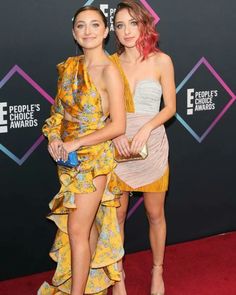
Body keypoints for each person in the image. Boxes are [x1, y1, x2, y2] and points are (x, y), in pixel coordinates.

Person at [38, 5, 126, 295]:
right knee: (84, 230)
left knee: (77, 230)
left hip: (95, 161)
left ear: (105, 31)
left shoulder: (110, 71)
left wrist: (76, 142)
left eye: (94, 25)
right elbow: (58, 113)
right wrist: (53, 138)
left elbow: (118, 126)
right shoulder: (68, 67)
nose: (87, 31)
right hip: (68, 160)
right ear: (73, 32)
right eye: (80, 26)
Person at [111, 1, 176, 295]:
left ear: (143, 24)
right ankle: (118, 276)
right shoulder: (109, 64)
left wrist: (148, 127)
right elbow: (102, 111)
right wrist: (114, 136)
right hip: (118, 149)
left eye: (132, 23)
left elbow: (170, 108)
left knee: (155, 215)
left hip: (153, 148)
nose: (126, 31)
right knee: (117, 217)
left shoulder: (162, 61)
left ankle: (157, 272)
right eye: (120, 25)